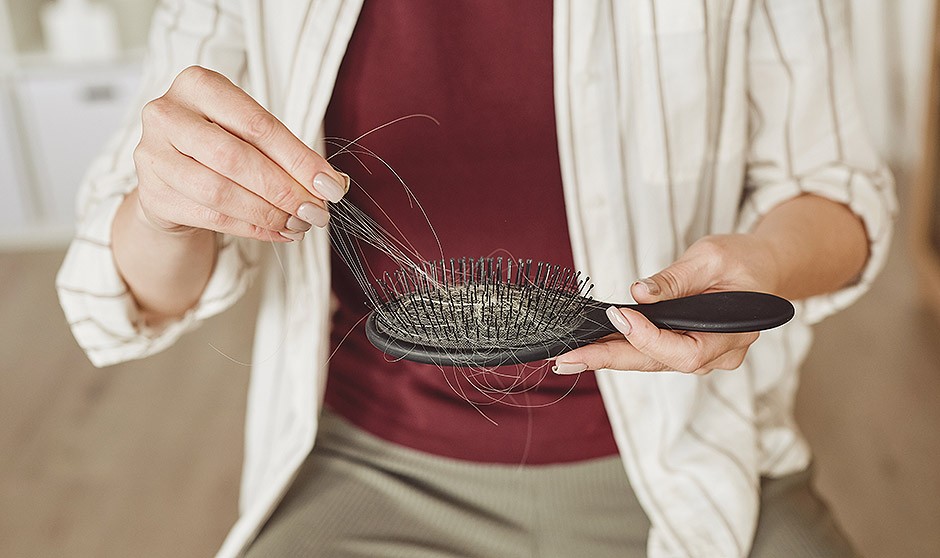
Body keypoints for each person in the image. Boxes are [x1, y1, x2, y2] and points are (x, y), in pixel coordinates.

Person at [56, 1, 896, 557]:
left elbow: (838, 193)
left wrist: (767, 262)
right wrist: (166, 209)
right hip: (372, 473)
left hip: (697, 457)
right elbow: (121, 296)